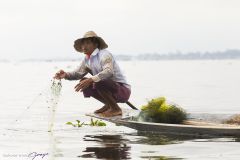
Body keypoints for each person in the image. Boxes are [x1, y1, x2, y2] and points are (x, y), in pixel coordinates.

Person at [54, 31, 131, 117]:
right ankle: (109, 105)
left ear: (95, 44)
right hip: (110, 90)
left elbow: (109, 71)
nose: (84, 46)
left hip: (122, 90)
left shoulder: (104, 55)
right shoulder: (87, 59)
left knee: (98, 82)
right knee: (83, 81)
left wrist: (91, 80)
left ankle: (115, 109)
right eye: (82, 44)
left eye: (87, 43)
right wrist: (65, 75)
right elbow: (77, 73)